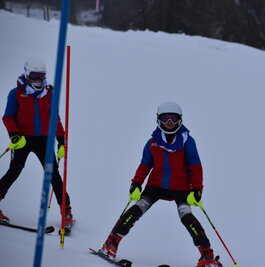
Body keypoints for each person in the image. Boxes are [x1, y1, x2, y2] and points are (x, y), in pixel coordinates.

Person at [98, 101, 222, 267]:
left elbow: (195, 166)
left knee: (187, 217)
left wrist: (197, 190)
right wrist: (136, 183)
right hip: (155, 185)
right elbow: (145, 164)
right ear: (158, 120)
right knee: (136, 209)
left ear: (180, 120)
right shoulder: (153, 142)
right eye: (165, 119)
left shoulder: (187, 141)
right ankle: (111, 244)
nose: (169, 123)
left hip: (180, 187)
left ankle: (207, 256)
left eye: (173, 119)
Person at [0, 58, 73, 227]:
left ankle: (66, 211)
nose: (38, 80)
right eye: (34, 76)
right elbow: (8, 117)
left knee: (53, 174)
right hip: (23, 140)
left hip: (44, 141)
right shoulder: (16, 93)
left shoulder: (49, 94)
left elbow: (55, 118)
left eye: (41, 76)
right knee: (14, 171)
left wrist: (61, 139)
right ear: (27, 75)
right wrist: (14, 135)